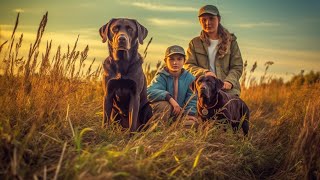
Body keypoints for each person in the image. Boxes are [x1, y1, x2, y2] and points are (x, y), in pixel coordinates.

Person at [184, 5, 244, 96]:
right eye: (204, 20)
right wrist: (205, 72)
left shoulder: (231, 42)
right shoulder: (194, 43)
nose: (208, 23)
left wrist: (229, 82)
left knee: (231, 108)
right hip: (203, 91)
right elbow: (188, 65)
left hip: (228, 91)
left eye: (211, 18)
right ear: (199, 21)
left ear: (219, 19)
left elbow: (237, 66)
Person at [147, 45, 197, 124]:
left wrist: (189, 113)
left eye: (179, 59)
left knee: (191, 123)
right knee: (163, 105)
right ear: (165, 61)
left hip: (182, 114)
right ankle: (158, 131)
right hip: (165, 112)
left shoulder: (190, 78)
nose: (175, 63)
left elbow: (193, 99)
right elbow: (149, 91)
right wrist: (170, 99)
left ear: (184, 61)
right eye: (171, 59)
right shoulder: (161, 76)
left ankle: (177, 131)